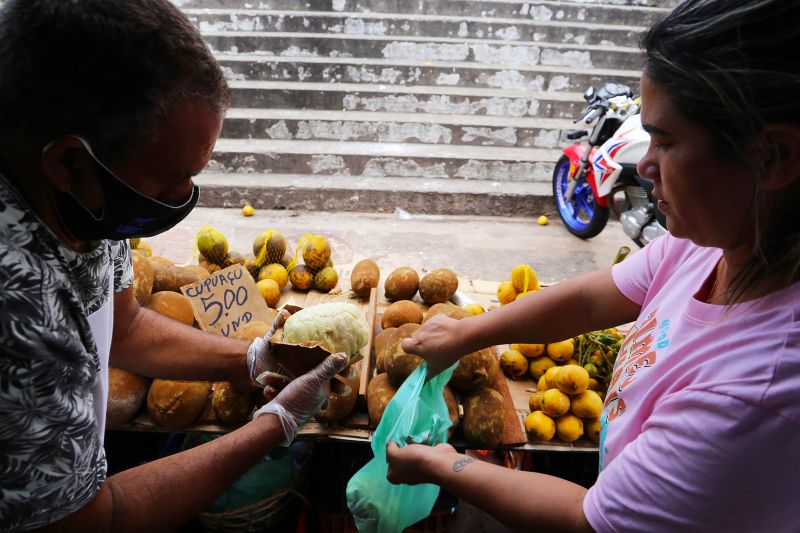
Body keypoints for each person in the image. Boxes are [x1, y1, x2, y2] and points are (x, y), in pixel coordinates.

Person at [386, 1, 800, 530]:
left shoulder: (756, 390)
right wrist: (467, 335)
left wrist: (445, 465)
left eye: (667, 141)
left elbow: (588, 520)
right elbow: (588, 300)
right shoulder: (715, 242)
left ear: (773, 157)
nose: (645, 165)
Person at [0, 1, 344, 530]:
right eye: (169, 179)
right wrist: (275, 423)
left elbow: (126, 326)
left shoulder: (83, 202)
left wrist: (254, 358)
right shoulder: (22, 310)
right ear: (69, 161)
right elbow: (93, 520)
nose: (184, 196)